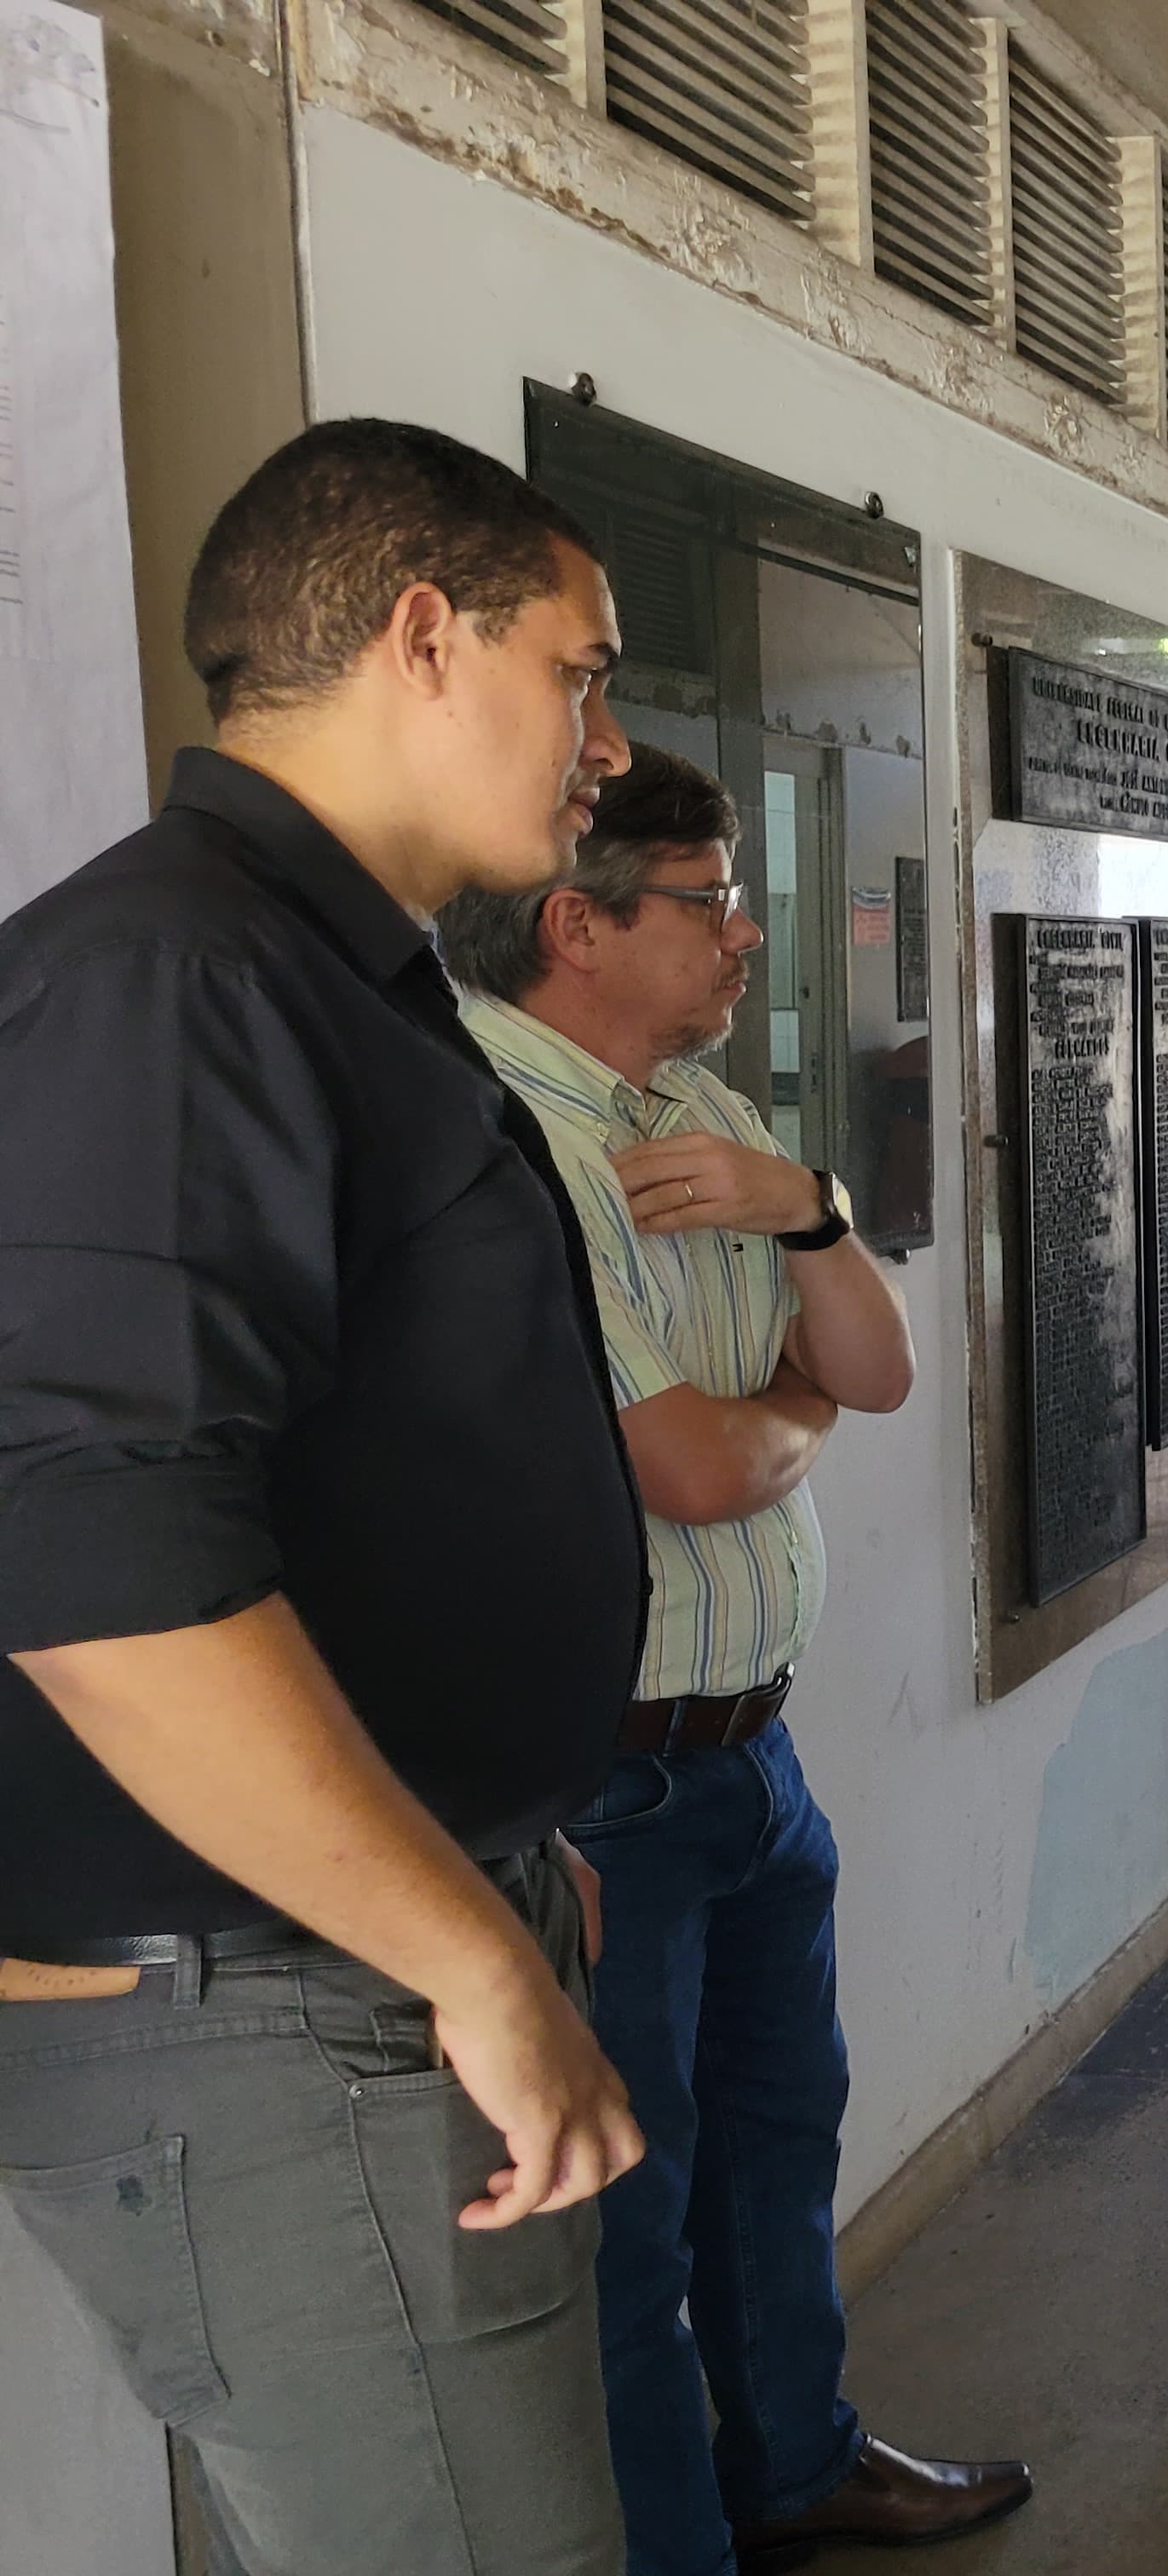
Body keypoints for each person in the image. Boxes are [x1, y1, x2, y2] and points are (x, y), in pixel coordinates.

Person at [0, 420, 649, 2571]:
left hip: (348, 1974)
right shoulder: (175, 976)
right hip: (273, 2013)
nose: (609, 738)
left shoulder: (324, 971)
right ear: (425, 632)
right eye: (584, 668)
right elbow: (103, 1571)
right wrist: (464, 1955)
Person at [440, 751, 1028, 2575]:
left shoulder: (697, 1108)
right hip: (598, 1783)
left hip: (751, 1754)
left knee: (778, 2142)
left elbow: (876, 1372)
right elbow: (696, 1462)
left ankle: (798, 2459)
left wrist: (813, 1220)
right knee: (637, 2208)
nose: (746, 931)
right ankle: (679, 2538)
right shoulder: (499, 1139)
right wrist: (785, 1405)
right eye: (705, 898)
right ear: (578, 922)